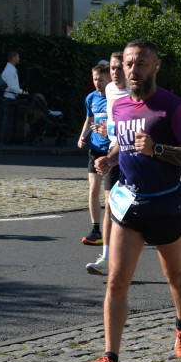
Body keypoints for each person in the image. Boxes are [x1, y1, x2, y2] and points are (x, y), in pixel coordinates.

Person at [84, 39, 181, 362]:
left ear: (156, 66)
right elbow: (124, 140)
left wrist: (159, 149)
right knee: (117, 280)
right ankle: (110, 359)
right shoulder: (119, 105)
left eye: (140, 64)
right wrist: (111, 157)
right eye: (128, 64)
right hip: (129, 204)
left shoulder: (174, 107)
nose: (132, 70)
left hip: (166, 203)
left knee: (175, 278)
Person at [87, 52, 128, 276]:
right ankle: (106, 258)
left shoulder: (137, 91)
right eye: (112, 68)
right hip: (114, 152)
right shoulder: (110, 89)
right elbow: (114, 121)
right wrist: (108, 130)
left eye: (119, 68)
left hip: (137, 156)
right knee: (110, 204)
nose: (115, 72)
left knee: (139, 208)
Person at [78, 63, 111, 246]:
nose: (97, 83)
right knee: (93, 189)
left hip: (112, 150)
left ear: (108, 79)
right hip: (95, 149)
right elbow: (89, 119)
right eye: (95, 79)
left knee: (111, 194)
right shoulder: (91, 98)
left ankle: (121, 227)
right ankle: (96, 230)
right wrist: (83, 136)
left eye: (100, 79)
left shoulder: (115, 98)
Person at [0, 50, 27, 145]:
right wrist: (22, 92)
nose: (19, 59)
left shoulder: (11, 69)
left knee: (9, 120)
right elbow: (12, 86)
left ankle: (8, 138)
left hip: (10, 97)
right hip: (9, 98)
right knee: (7, 120)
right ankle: (5, 140)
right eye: (18, 57)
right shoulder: (10, 70)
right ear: (13, 58)